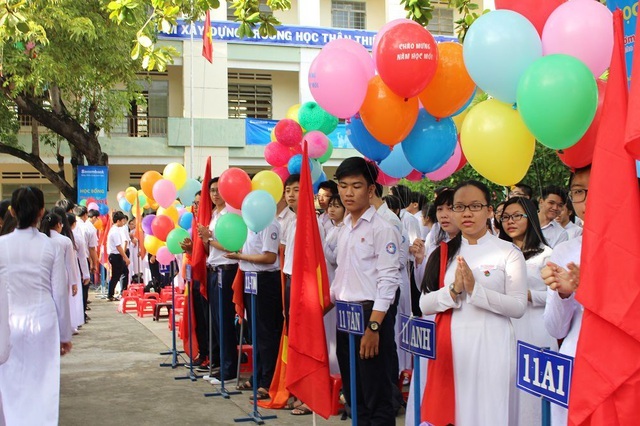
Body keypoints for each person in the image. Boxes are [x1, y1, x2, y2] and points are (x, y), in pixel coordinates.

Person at [419, 180, 527, 425]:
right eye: (459, 207)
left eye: (475, 206)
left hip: (494, 346)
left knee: (491, 411)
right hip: (454, 349)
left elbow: (518, 306)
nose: (467, 213)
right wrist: (454, 290)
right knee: (457, 413)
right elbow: (424, 304)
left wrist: (476, 291)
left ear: (490, 211)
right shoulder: (443, 253)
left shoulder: (508, 252)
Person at [332, 157, 401, 424]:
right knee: (353, 393)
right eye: (343, 185)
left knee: (377, 393)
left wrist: (373, 328)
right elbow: (343, 276)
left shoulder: (382, 228)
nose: (348, 193)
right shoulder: (345, 228)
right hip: (345, 314)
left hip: (370, 315)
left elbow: (388, 282)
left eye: (356, 186)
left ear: (371, 190)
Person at [0, 186, 72, 426]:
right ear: (41, 212)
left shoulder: (1, 246)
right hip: (44, 322)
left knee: (12, 388)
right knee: (43, 388)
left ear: (11, 211)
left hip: (9, 323)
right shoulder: (50, 246)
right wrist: (65, 334)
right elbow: (59, 293)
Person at [498, 197, 557, 426]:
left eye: (516, 216)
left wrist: (527, 295)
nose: (509, 222)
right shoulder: (499, 253)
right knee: (508, 386)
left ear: (530, 217)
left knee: (532, 394)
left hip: (536, 330)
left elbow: (556, 297)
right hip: (506, 329)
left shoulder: (547, 255)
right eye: (505, 217)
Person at [542, 166, 591, 426]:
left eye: (598, 187)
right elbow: (555, 327)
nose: (587, 199)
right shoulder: (565, 251)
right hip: (577, 359)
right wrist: (563, 294)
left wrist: (590, 289)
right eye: (579, 192)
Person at [226, 215, 282, 400]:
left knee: (266, 333)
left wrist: (240, 256)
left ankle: (267, 381)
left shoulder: (269, 222)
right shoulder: (249, 223)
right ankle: (257, 376)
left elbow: (269, 257)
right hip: (250, 278)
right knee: (255, 332)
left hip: (265, 280)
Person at [197, 177, 238, 378]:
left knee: (225, 319)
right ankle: (221, 363)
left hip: (227, 269)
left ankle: (229, 367)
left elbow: (233, 245)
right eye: (212, 190)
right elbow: (208, 246)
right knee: (215, 320)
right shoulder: (213, 214)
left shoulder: (231, 214)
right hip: (213, 268)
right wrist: (202, 242)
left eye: (218, 190)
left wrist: (210, 239)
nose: (215, 194)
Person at [107, 211, 130, 301]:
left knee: (121, 273)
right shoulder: (115, 231)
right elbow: (118, 246)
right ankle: (110, 294)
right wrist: (125, 257)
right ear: (118, 221)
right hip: (115, 255)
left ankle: (115, 293)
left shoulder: (116, 229)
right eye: (122, 220)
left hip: (116, 255)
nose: (123, 222)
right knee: (116, 275)